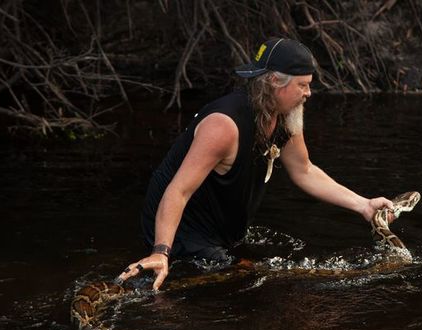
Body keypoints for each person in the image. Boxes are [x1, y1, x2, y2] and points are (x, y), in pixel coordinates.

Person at [117, 38, 396, 290]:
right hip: (183, 230)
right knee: (251, 279)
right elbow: (178, 190)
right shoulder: (224, 125)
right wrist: (160, 252)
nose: (309, 93)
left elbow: (304, 170)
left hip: (222, 230)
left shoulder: (285, 115)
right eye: (303, 85)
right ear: (275, 81)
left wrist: (363, 205)